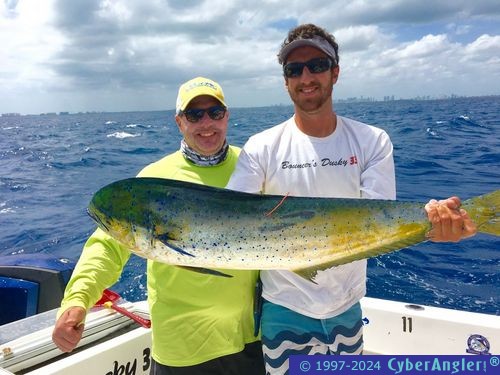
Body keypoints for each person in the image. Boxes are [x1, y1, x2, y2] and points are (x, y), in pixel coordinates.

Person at [226, 24, 477, 375]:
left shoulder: (372, 140)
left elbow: (377, 225)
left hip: (347, 306)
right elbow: (233, 220)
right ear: (285, 81)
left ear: (335, 72)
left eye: (316, 64)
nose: (306, 76)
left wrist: (432, 227)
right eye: (294, 69)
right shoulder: (260, 147)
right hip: (284, 309)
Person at [52, 77, 266, 375]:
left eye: (215, 112)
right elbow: (108, 246)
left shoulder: (254, 166)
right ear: (179, 122)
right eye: (194, 114)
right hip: (182, 348)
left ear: (227, 116)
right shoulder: (153, 179)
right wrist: (77, 299)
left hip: (249, 340)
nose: (207, 122)